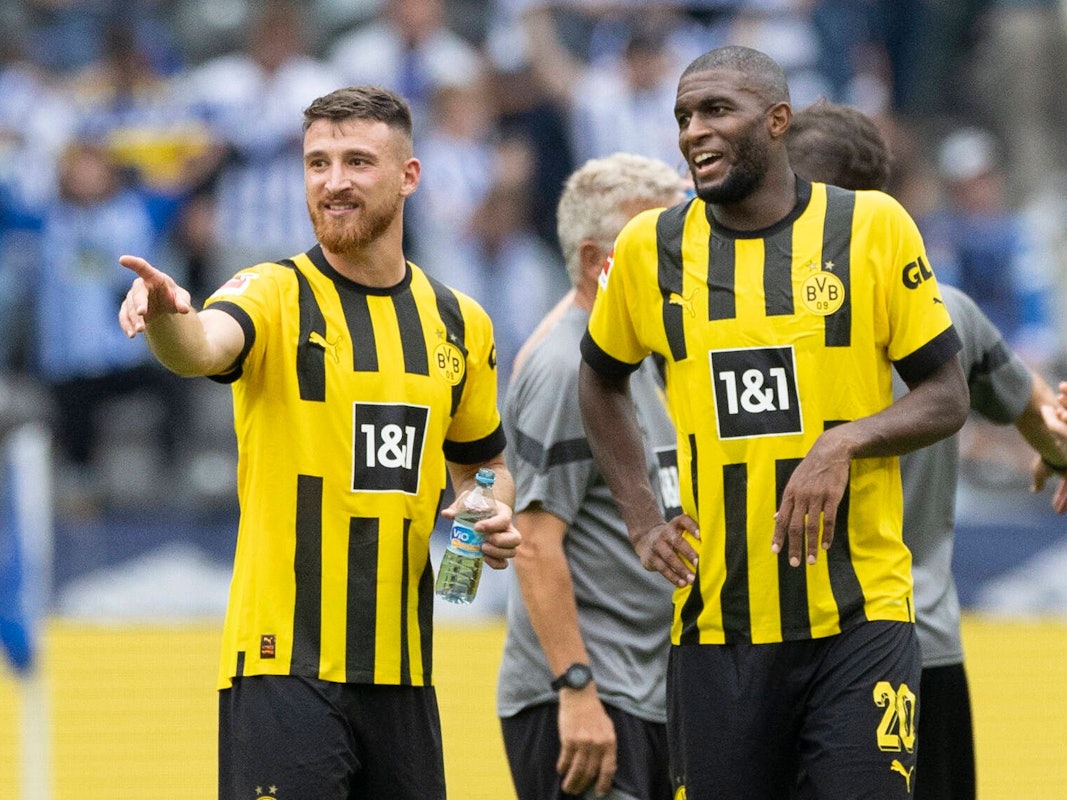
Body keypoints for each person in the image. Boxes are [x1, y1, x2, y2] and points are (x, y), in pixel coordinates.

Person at [576, 46, 970, 799]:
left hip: (860, 613)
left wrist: (844, 440)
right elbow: (598, 379)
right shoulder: (650, 249)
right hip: (717, 625)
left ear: (778, 120)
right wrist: (641, 517)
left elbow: (945, 394)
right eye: (683, 117)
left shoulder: (871, 227)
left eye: (716, 110)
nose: (693, 131)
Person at [116, 85, 521, 800]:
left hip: (404, 672)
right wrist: (166, 316)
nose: (333, 182)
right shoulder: (272, 292)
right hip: (284, 667)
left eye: (357, 161)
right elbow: (203, 346)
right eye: (317, 163)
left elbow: (482, 464)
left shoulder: (461, 323)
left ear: (409, 176)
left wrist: (490, 509)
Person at [787, 97, 1067, 800]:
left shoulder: (746, 320)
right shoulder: (947, 309)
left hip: (791, 647)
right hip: (922, 642)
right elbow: (1033, 403)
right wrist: (1056, 451)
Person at [497, 152, 685, 800]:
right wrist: (576, 690)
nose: (677, 264)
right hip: (588, 702)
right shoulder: (564, 368)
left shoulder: (639, 353)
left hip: (647, 694)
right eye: (655, 246)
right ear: (594, 260)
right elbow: (533, 543)